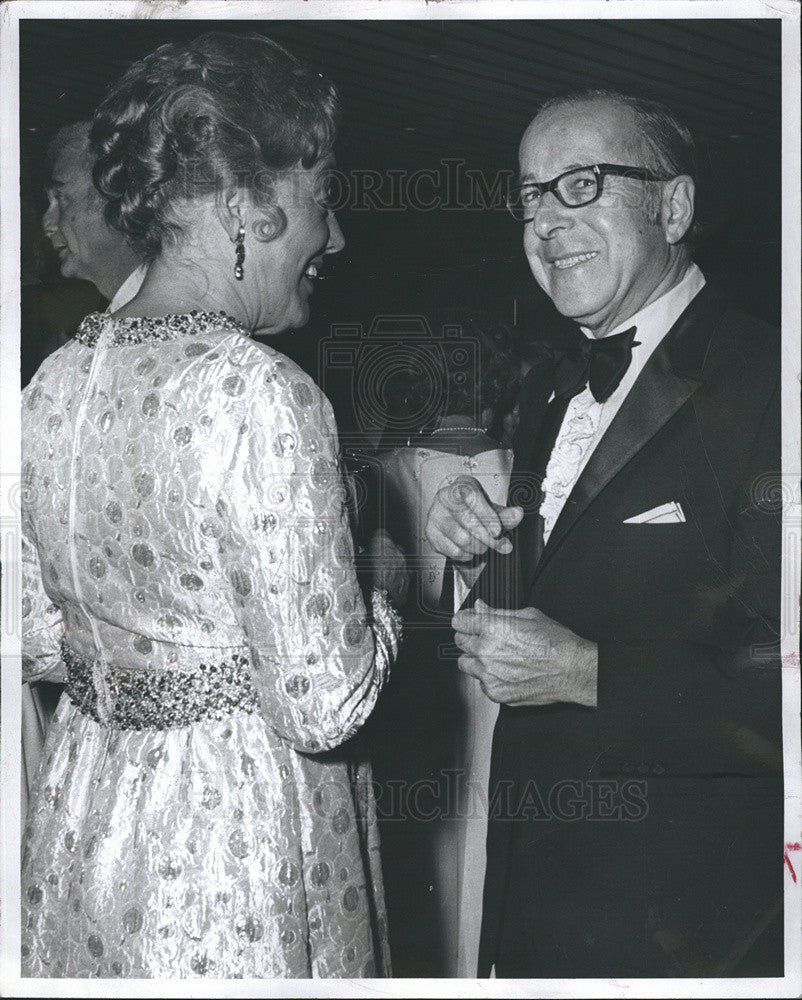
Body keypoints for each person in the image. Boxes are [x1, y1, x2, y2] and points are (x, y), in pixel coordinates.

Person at [21, 32, 400, 979]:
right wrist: (388, 591)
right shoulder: (258, 394)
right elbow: (324, 705)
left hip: (89, 818)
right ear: (245, 206)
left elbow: (31, 634)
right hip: (235, 841)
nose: (338, 239)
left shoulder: (54, 382)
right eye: (322, 201)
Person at [425, 89, 782, 977]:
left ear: (676, 204)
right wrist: (477, 559)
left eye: (580, 184)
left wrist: (590, 674)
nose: (546, 220)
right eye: (530, 195)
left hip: (686, 926)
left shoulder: (774, 380)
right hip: (536, 905)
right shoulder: (551, 387)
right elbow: (554, 602)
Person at [368, 316, 520, 976]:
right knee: (485, 845)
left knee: (422, 855)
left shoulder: (387, 471)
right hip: (500, 686)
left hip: (413, 696)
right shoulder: (524, 467)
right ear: (495, 392)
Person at [22, 123, 148, 819]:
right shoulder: (74, 366)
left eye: (60, 198)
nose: (47, 224)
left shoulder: (70, 374)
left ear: (124, 197)